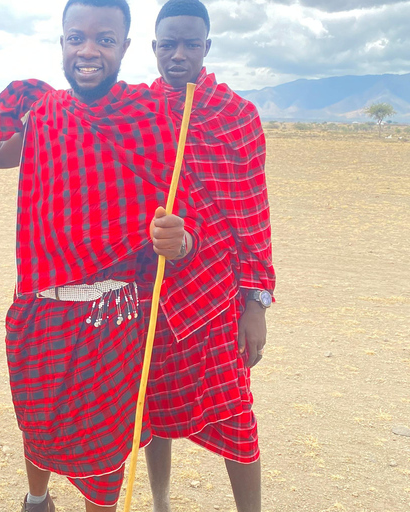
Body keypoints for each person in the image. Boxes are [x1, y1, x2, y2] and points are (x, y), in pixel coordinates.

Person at [0, 1, 207, 510]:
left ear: (124, 47)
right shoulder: (36, 109)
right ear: (61, 42)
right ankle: (37, 500)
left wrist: (179, 240)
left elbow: (185, 227)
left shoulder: (151, 119)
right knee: (37, 420)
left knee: (104, 452)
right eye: (76, 36)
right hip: (40, 303)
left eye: (104, 39)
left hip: (115, 314)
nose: (88, 50)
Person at [142, 1, 276, 512]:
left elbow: (253, 216)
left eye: (190, 44)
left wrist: (255, 304)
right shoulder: (140, 111)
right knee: (149, 406)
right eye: (168, 44)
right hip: (150, 286)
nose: (178, 55)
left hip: (218, 295)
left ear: (207, 48)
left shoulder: (238, 116)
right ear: (153, 48)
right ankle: (160, 503)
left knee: (235, 411)